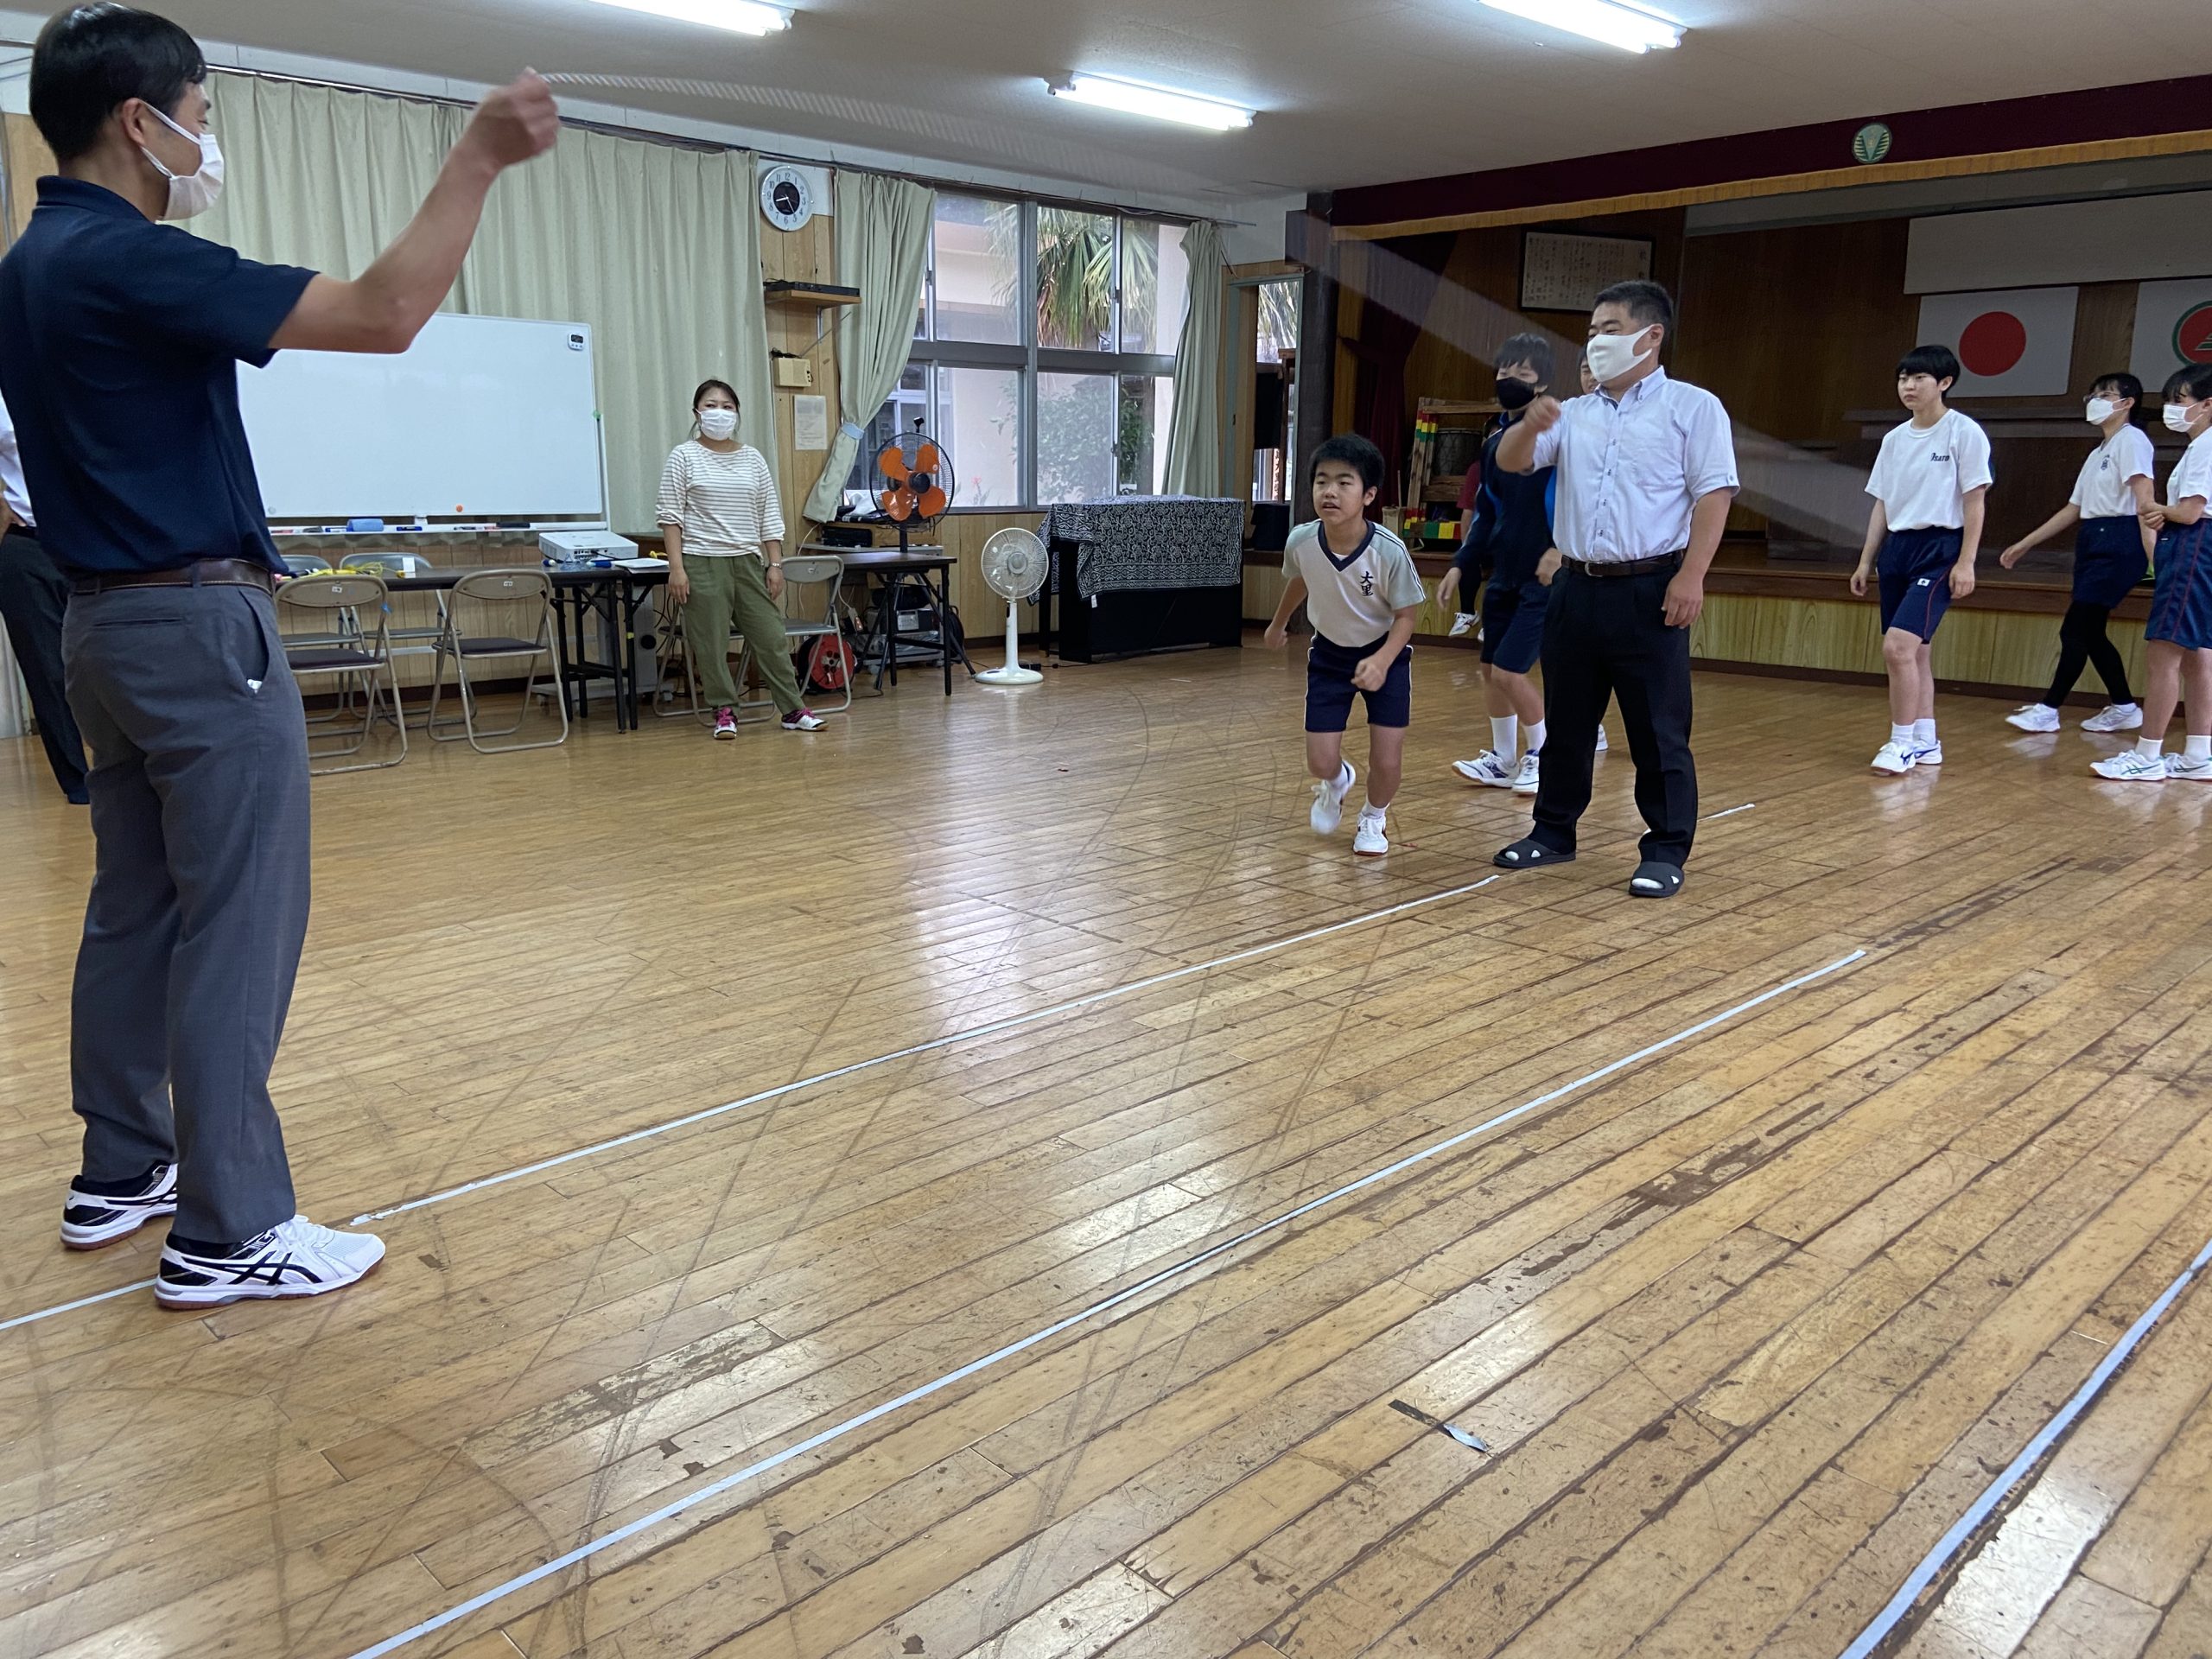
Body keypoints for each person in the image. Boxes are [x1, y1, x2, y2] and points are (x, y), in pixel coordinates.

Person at [0, 3, 556, 1305]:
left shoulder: (27, 264)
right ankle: (230, 1228)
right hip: (197, 632)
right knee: (238, 921)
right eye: (201, 114)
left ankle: (121, 1169)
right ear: (138, 121)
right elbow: (385, 311)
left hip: (99, 627)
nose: (208, 139)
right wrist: (476, 157)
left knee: (136, 906)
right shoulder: (130, 257)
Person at [1489, 281, 1738, 899]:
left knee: (1658, 729)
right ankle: (1553, 832)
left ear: (1651, 336)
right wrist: (1529, 423)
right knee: (1568, 723)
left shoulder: (1693, 407)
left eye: (1610, 329)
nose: (1597, 340)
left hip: (1650, 585)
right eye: (1593, 330)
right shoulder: (1574, 412)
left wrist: (1691, 576)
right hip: (1575, 585)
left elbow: (1714, 494)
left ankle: (1665, 848)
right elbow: (1511, 463)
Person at [1262, 434, 1423, 857]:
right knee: (1319, 761)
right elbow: (1301, 579)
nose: (1329, 491)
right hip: (1329, 656)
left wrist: (1382, 661)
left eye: (1343, 482)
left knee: (1386, 760)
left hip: (1385, 656)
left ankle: (1373, 817)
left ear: (1368, 495)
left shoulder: (1389, 551)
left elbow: (1407, 618)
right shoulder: (1301, 540)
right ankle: (1336, 782)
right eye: (1321, 481)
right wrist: (1278, 624)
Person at [1850, 346, 1991, 775]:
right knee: (1917, 652)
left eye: (1919, 378)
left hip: (1940, 549)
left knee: (1897, 648)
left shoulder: (1963, 432)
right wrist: (1865, 560)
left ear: (1945, 383)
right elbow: (1882, 503)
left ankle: (1902, 743)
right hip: (1898, 549)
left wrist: (1966, 562)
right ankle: (1927, 739)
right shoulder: (1894, 440)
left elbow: (1975, 501)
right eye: (1903, 378)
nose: (1908, 387)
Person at [658, 379, 823, 737]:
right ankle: (724, 711)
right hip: (701, 561)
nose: (719, 412)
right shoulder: (683, 456)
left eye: (727, 406)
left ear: (737, 413)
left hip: (748, 561)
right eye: (710, 405)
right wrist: (677, 569)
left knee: (771, 636)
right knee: (711, 643)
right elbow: (670, 517)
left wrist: (775, 564)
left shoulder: (752, 458)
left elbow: (769, 515)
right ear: (697, 413)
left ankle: (792, 709)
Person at [1999, 373, 2155, 735]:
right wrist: (2026, 543)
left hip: (2119, 541)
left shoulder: (2132, 440)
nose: (2095, 401)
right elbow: (2074, 508)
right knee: (2091, 631)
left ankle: (2049, 708)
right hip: (2092, 540)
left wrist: (2155, 559)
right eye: (2093, 394)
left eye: (2106, 395)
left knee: (2076, 628)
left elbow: (2144, 502)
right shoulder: (2098, 451)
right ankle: (2124, 706)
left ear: (2127, 402)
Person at [1441, 333, 1555, 794]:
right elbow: (1486, 513)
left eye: (1522, 373)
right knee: (1490, 669)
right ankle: (1503, 760)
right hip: (1503, 575)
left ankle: (1542, 754)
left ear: (1542, 384)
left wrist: (1561, 549)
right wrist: (1461, 563)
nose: (1509, 379)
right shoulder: (1493, 445)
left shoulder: (1555, 441)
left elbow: (1577, 504)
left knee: (1510, 671)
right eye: (1504, 371)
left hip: (1543, 578)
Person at [2092, 365, 2212, 783]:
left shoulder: (2205, 447)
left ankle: (2147, 753)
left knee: (2164, 652)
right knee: (2197, 655)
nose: (2171, 409)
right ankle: (2199, 754)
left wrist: (2156, 510)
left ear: (2207, 404)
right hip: (2198, 548)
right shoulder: (2200, 447)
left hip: (2192, 549)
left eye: (2180, 401)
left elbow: (2191, 512)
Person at [0, 385, 88, 803]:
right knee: (47, 667)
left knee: (112, 656)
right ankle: (78, 781)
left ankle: (133, 767)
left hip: (91, 540)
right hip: (25, 541)